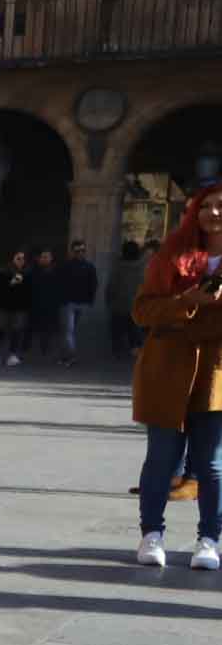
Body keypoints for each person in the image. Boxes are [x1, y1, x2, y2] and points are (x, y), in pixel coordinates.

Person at [131, 184, 222, 570]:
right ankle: (151, 534)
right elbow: (142, 311)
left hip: (216, 371)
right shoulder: (172, 255)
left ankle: (209, 540)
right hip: (167, 366)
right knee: (161, 458)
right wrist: (186, 301)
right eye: (206, 206)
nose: (213, 213)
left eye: (220, 206)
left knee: (212, 463)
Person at [0, 246, 31, 369]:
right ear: (12, 259)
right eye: (18, 258)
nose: (21, 261)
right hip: (5, 305)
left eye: (23, 259)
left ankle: (13, 354)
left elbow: (30, 289)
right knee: (1, 328)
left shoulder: (27, 272)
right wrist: (11, 283)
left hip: (20, 306)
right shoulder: (3, 272)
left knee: (17, 330)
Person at [60, 241, 100, 363]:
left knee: (74, 330)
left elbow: (94, 284)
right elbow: (60, 283)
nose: (80, 253)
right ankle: (71, 355)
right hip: (69, 302)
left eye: (82, 251)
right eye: (77, 251)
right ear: (73, 252)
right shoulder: (67, 266)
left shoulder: (89, 267)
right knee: (69, 330)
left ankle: (67, 355)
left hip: (82, 303)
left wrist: (90, 300)